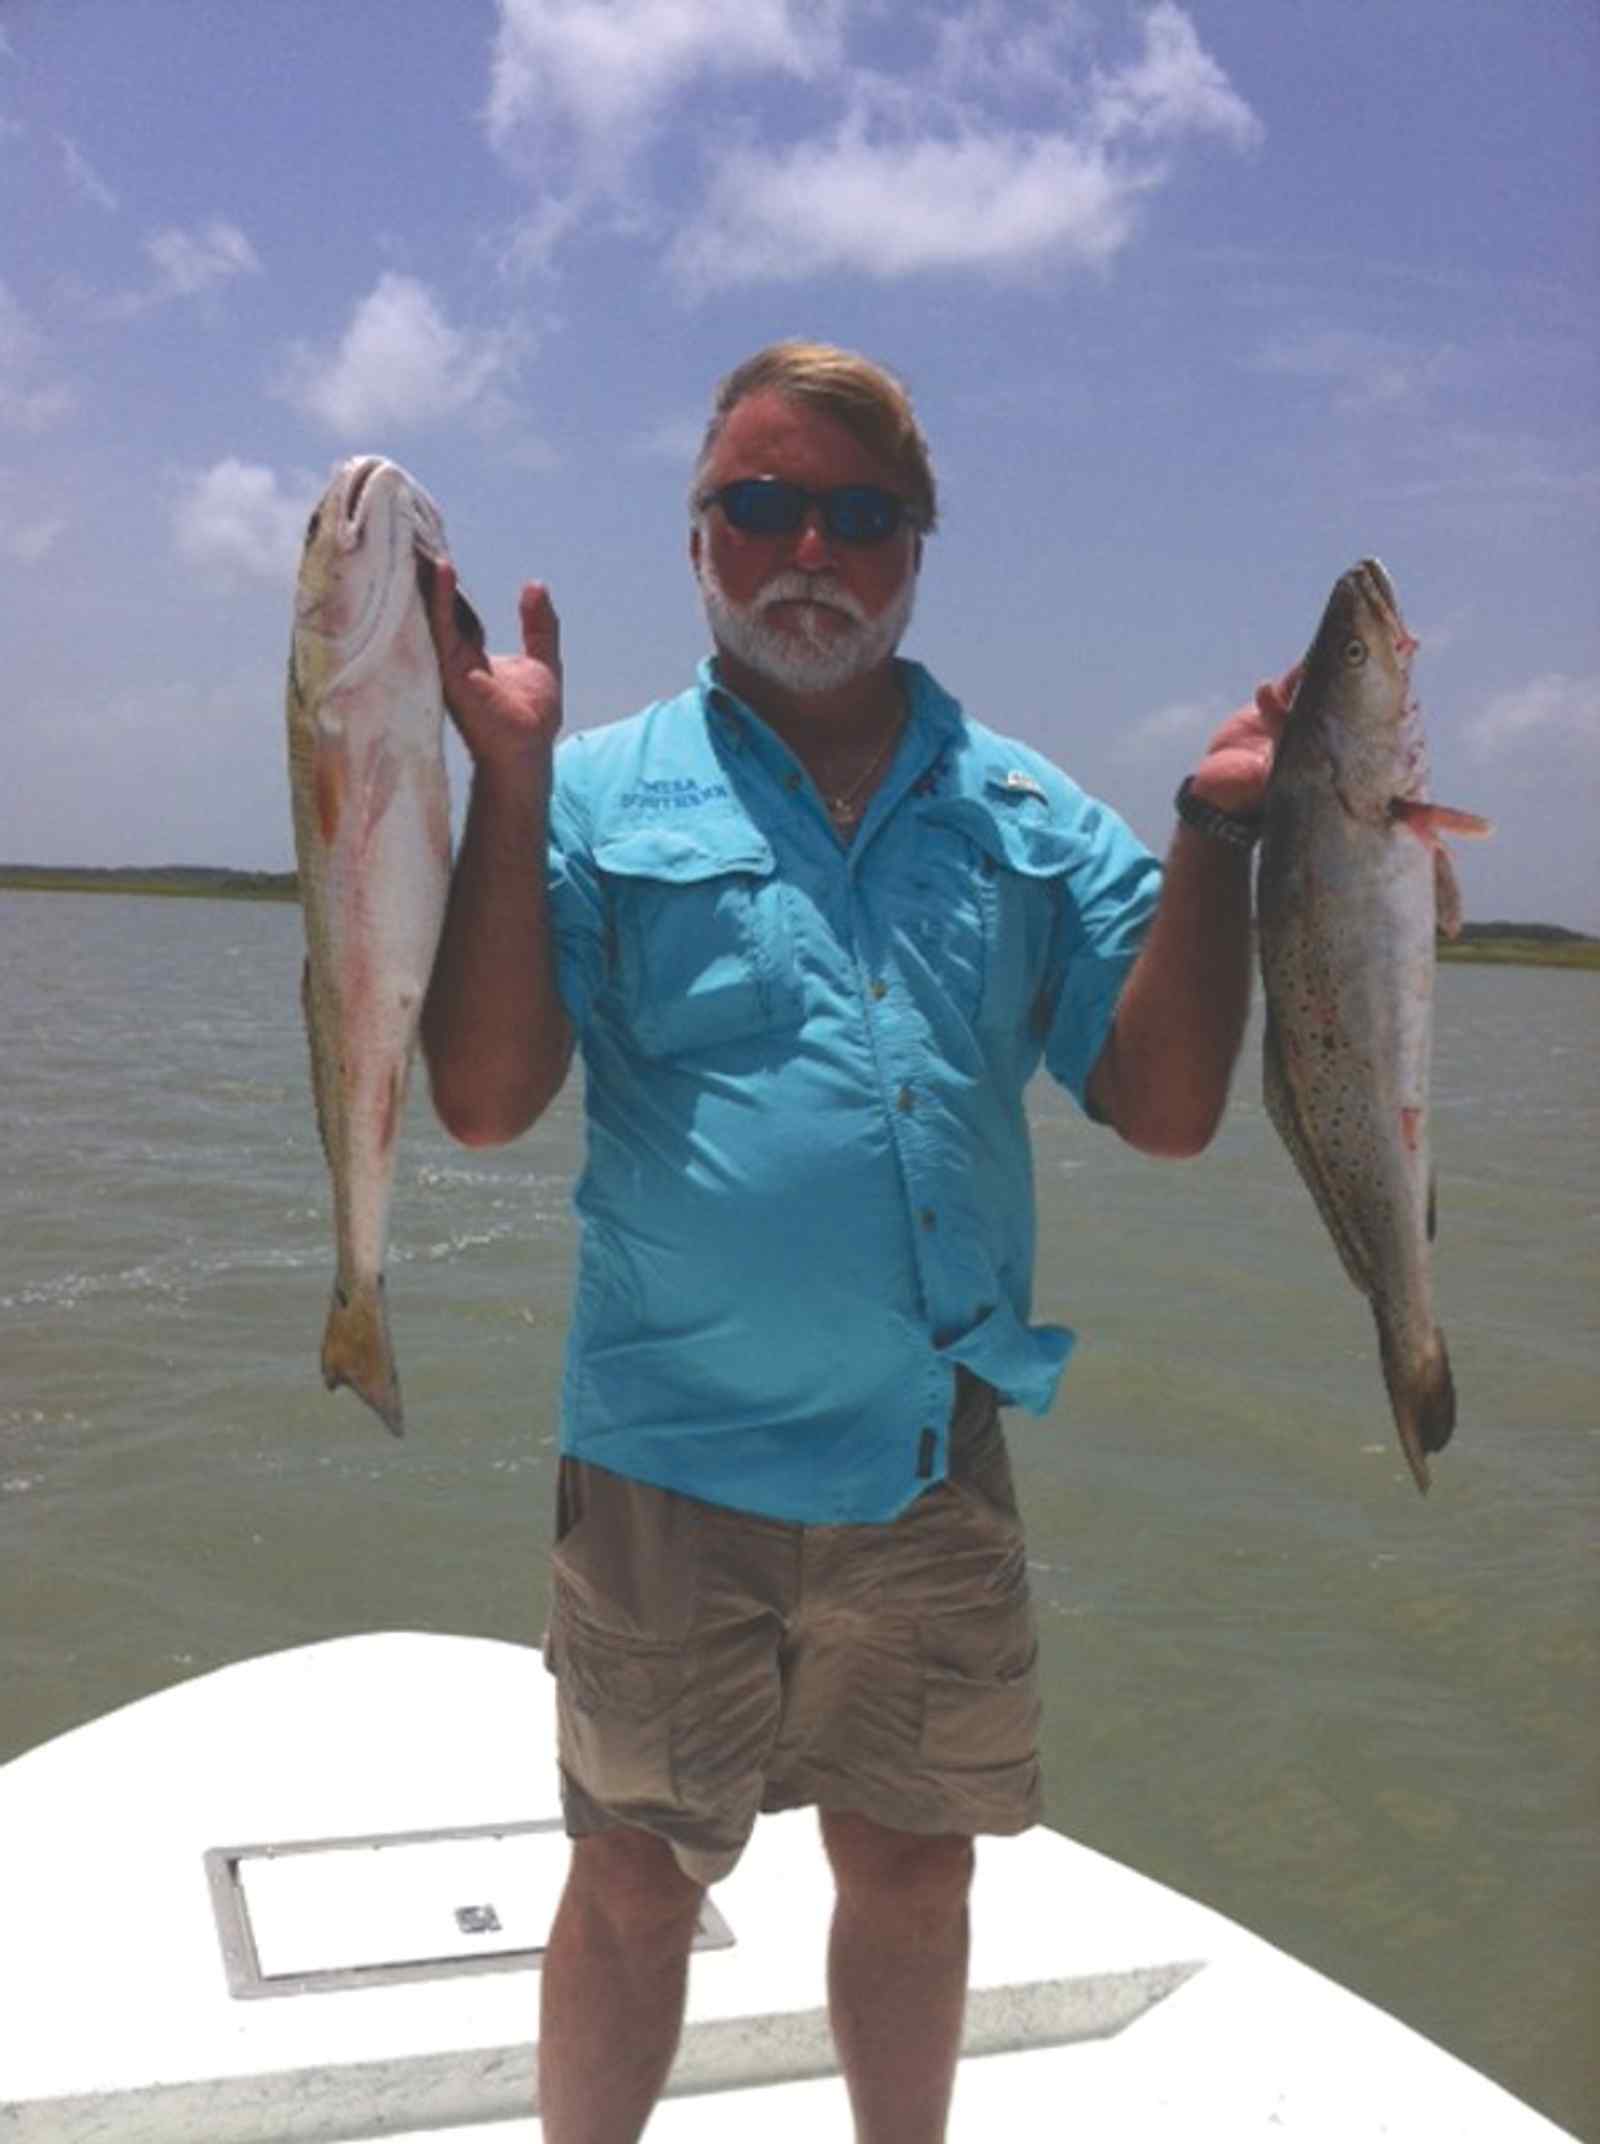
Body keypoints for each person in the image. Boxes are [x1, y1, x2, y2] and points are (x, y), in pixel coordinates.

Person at [421, 341, 1292, 2144]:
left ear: (917, 547)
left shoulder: (1030, 815)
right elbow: (486, 1101)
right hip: (667, 1462)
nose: (808, 547)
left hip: (925, 1459)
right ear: (697, 539)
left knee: (914, 1866)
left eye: (861, 514)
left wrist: (1218, 833)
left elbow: (1167, 1106)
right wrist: (505, 777)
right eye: (760, 504)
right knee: (634, 1878)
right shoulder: (586, 791)